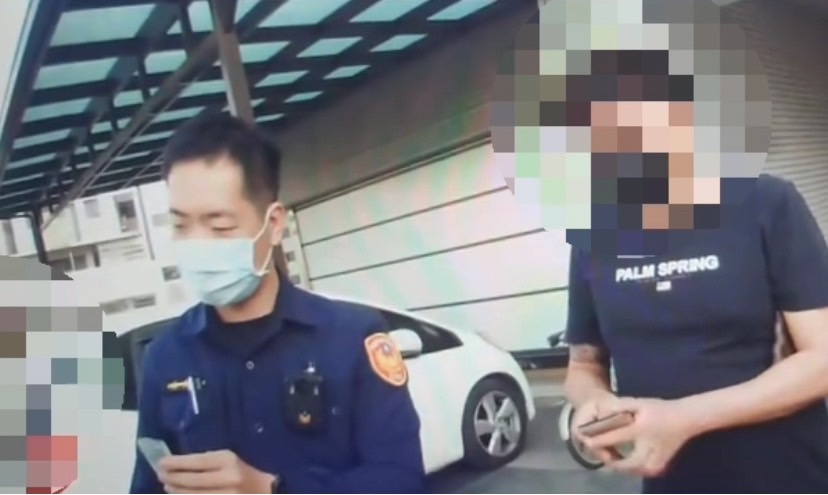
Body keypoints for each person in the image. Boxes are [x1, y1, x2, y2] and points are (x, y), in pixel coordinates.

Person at [563, 53, 828, 494]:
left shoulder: (763, 201)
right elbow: (583, 364)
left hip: (785, 474)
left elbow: (822, 360)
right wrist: (594, 403)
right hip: (671, 481)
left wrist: (685, 418)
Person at [128, 113, 425, 494]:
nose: (197, 245)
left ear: (274, 224)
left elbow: (401, 480)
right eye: (181, 226)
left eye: (220, 227)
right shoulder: (166, 356)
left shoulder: (352, 337)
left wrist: (271, 490)